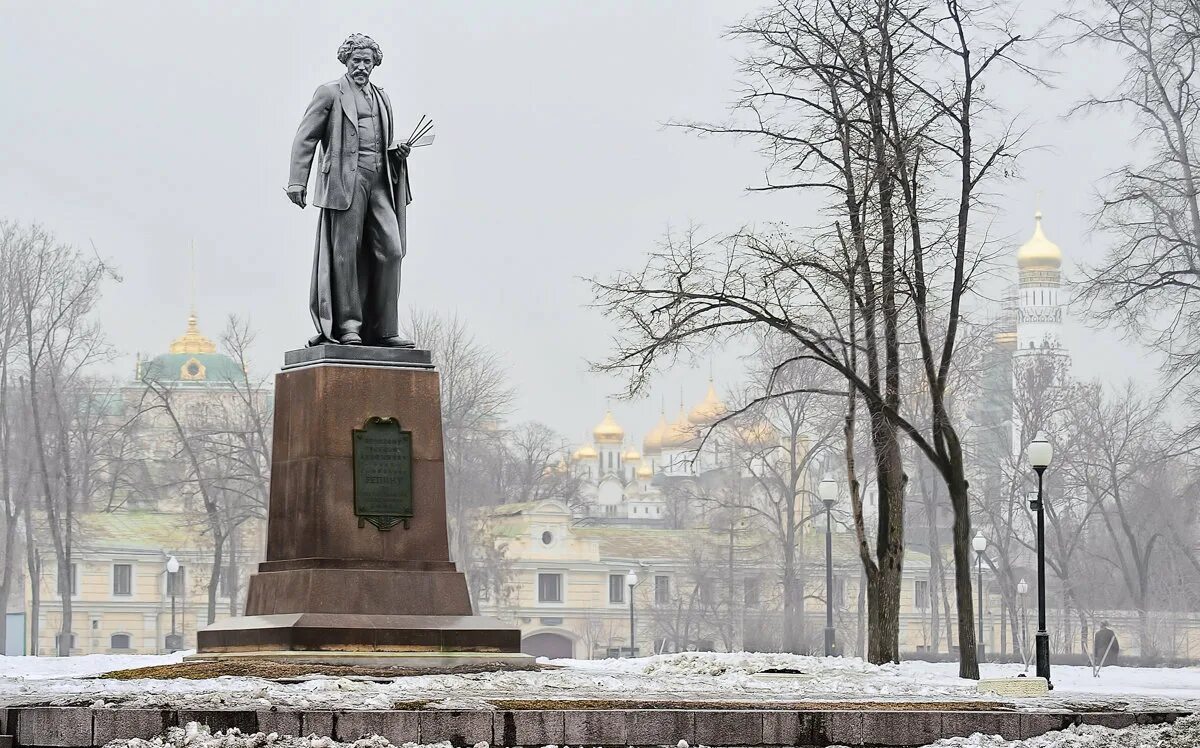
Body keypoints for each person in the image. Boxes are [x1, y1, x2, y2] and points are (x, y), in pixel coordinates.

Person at [287, 33, 413, 347]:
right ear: (346, 60)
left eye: (367, 61)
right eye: (356, 60)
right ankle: (349, 326)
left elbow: (383, 141)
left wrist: (397, 152)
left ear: (374, 64)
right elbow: (306, 137)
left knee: (393, 251)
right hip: (345, 182)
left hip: (379, 180)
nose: (361, 66)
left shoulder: (382, 97)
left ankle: (385, 328)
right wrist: (297, 180)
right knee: (346, 254)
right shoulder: (329, 93)